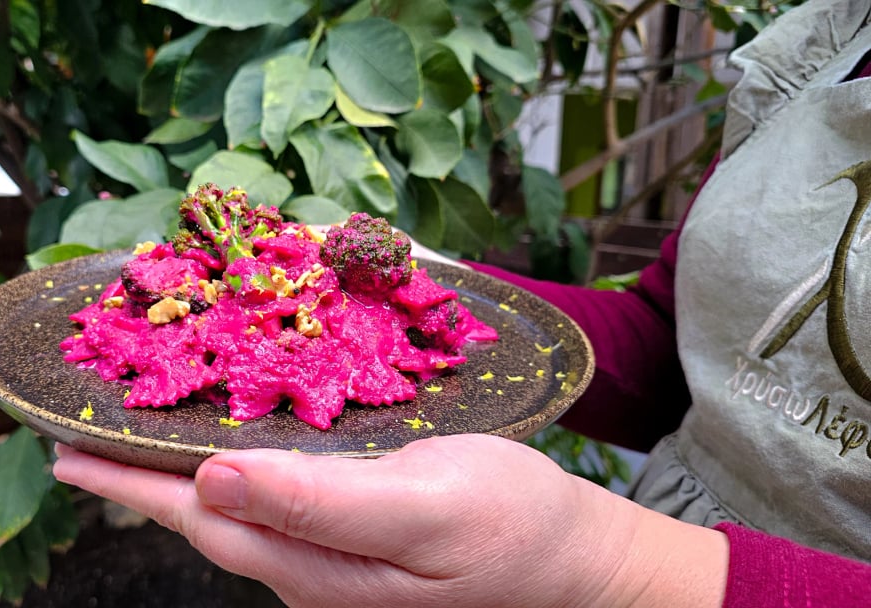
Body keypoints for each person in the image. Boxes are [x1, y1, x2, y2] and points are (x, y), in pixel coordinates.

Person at [54, 1, 871, 605]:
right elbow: (680, 347)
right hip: (669, 512)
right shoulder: (827, 43)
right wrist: (435, 285)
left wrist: (618, 569)